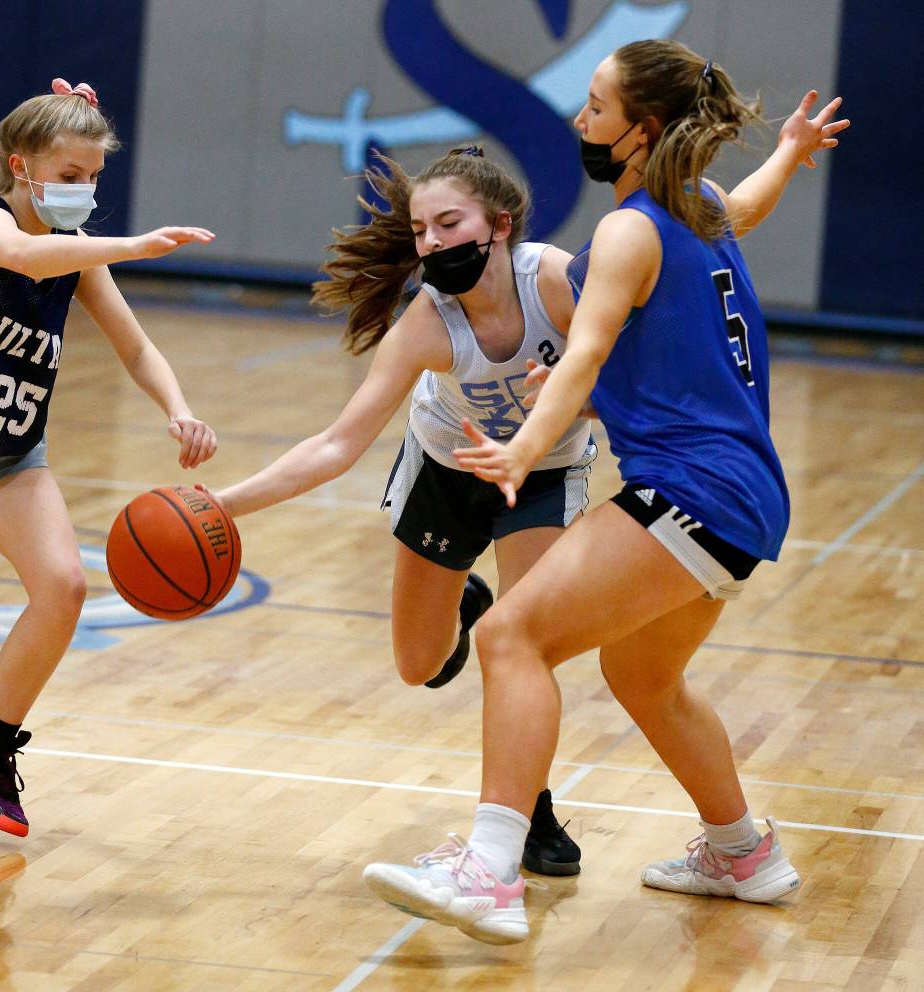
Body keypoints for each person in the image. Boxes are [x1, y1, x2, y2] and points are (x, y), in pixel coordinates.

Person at [362, 40, 850, 944]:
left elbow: (584, 354)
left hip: (690, 489)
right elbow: (745, 206)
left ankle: (488, 873)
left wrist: (523, 449)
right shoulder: (697, 206)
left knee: (507, 636)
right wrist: (789, 152)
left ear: (643, 129)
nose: (580, 120)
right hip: (745, 497)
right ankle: (742, 852)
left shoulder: (628, 231)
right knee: (643, 675)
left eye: (596, 107)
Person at [211, 146, 597, 876]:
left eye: (448, 224)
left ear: (500, 225)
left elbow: (629, 379)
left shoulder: (554, 281)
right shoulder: (428, 321)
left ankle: (528, 809)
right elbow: (338, 444)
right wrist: (224, 505)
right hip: (447, 469)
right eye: (421, 231)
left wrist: (580, 398)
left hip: (542, 472)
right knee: (419, 666)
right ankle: (465, 602)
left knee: (523, 646)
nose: (432, 243)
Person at [0, 78, 219, 837]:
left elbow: (135, 347)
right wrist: (137, 245)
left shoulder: (74, 254)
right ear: (21, 165)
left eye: (94, 177)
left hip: (3, 455)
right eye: (71, 175)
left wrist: (178, 408)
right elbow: (25, 256)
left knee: (65, 585)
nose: (85, 190)